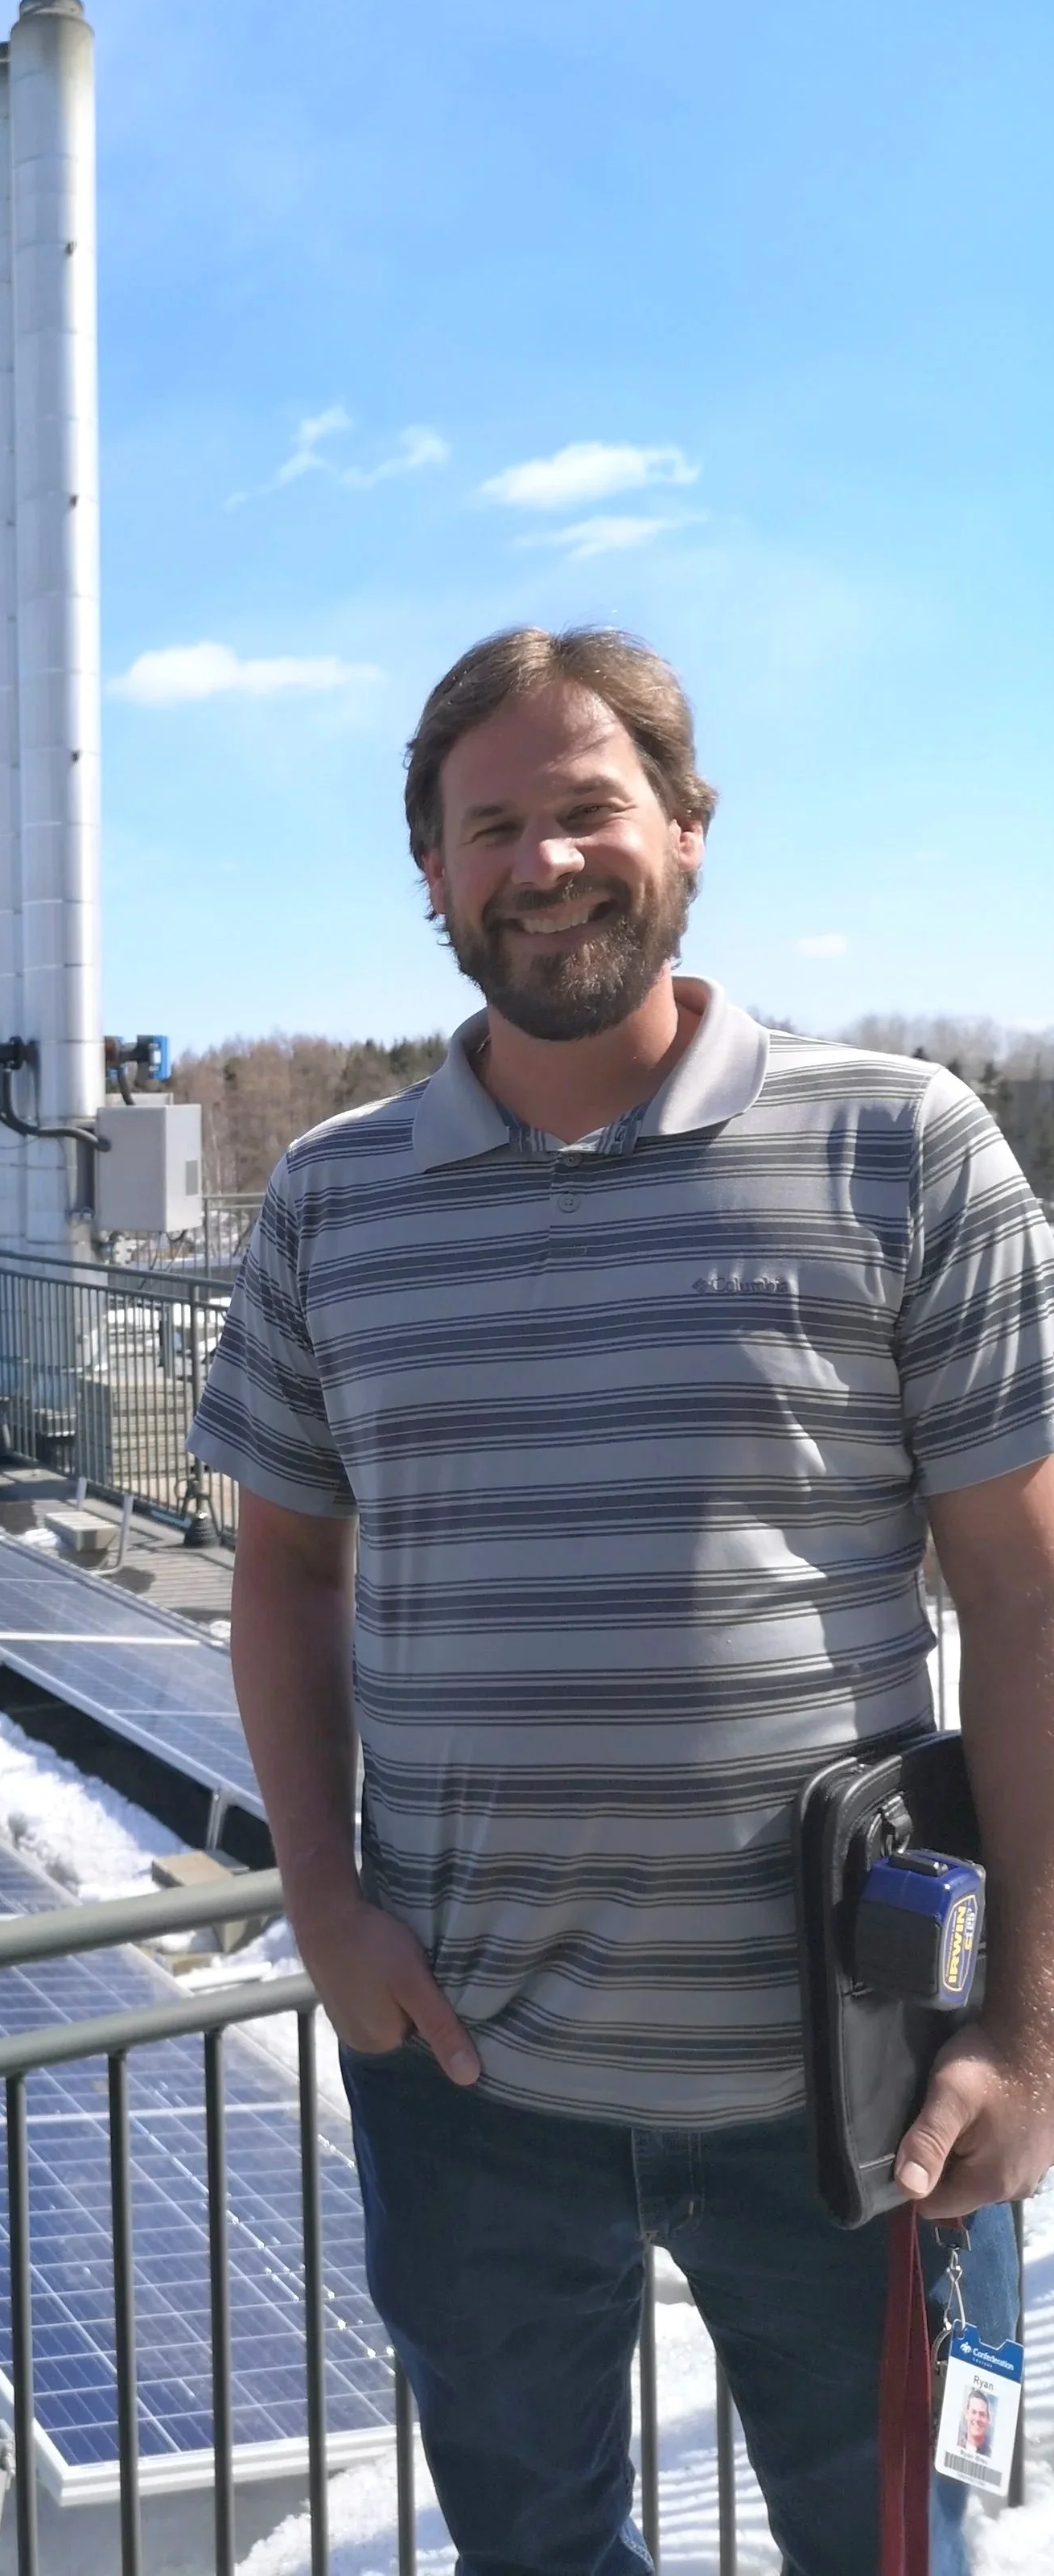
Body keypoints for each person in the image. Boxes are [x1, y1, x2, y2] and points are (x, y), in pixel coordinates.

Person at [188, 628, 1054, 2576]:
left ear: (684, 824)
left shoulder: (902, 1147)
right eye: (485, 825)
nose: (540, 860)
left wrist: (1026, 2026)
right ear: (427, 872)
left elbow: (1021, 1600)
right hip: (471, 2094)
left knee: (890, 2549)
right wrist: (319, 1909)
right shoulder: (330, 1202)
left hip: (852, 2096)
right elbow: (281, 1571)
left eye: (585, 807)